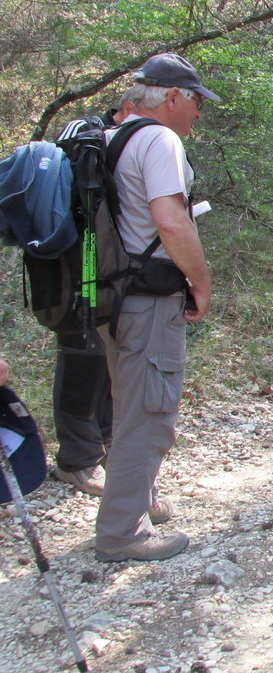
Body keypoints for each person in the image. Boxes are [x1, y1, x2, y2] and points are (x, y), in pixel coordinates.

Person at [93, 53, 217, 563]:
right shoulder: (161, 139)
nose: (197, 115)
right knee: (150, 411)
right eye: (194, 102)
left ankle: (136, 499)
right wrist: (201, 282)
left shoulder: (111, 137)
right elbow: (171, 221)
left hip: (111, 295)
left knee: (130, 402)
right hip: (147, 299)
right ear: (171, 97)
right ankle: (123, 530)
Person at [50, 92, 136, 497]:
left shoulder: (125, 142)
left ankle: (104, 446)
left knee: (109, 357)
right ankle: (76, 459)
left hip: (109, 269)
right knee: (82, 354)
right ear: (129, 108)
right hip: (76, 264)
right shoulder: (85, 136)